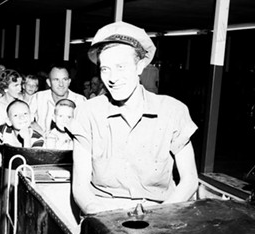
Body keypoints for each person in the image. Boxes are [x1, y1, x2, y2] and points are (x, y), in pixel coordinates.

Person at [71, 21, 198, 215]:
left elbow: (189, 181)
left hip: (161, 211)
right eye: (105, 69)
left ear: (139, 67)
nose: (112, 77)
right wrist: (100, 218)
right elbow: (80, 187)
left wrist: (161, 219)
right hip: (104, 211)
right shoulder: (87, 113)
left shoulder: (173, 111)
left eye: (121, 66)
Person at [29, 64, 86, 133]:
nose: (61, 84)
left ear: (69, 82)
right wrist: (41, 134)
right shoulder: (38, 98)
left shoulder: (80, 101)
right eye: (56, 80)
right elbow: (25, 120)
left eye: (64, 79)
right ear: (49, 82)